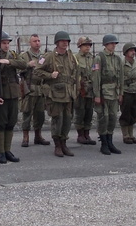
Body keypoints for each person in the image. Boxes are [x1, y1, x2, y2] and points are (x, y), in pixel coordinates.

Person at [34, 30, 79, 158]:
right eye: (62, 41)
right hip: (55, 93)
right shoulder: (48, 56)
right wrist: (49, 75)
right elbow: (37, 71)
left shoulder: (71, 56)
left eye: (67, 41)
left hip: (69, 93)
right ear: (57, 42)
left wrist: (76, 90)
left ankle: (64, 143)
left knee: (67, 120)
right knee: (57, 119)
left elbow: (76, 73)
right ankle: (57, 145)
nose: (65, 43)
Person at [0, 31, 28, 163]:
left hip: (13, 94)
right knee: (1, 124)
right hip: (1, 94)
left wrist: (8, 61)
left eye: (8, 43)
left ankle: (8, 150)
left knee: (11, 123)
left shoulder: (13, 56)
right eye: (3, 43)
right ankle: (1, 152)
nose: (6, 45)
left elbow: (24, 64)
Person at [92, 34, 124, 155]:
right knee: (103, 118)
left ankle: (110, 142)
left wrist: (121, 93)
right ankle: (104, 144)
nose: (113, 46)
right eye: (111, 43)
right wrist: (97, 95)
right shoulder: (99, 58)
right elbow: (96, 77)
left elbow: (121, 77)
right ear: (106, 45)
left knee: (112, 118)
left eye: (114, 44)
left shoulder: (117, 59)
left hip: (114, 93)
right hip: (103, 93)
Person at [18, 34, 50, 147]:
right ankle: (25, 137)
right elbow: (18, 68)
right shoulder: (24, 56)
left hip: (40, 89)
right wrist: (27, 65)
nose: (37, 43)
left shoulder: (44, 56)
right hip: (29, 88)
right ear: (30, 43)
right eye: (34, 41)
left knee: (40, 114)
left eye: (38, 40)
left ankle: (38, 136)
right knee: (27, 113)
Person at [73, 36, 97, 145]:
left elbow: (96, 72)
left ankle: (87, 133)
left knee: (89, 112)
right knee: (80, 111)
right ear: (80, 46)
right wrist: (78, 86)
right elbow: (74, 73)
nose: (87, 47)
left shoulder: (93, 58)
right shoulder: (75, 58)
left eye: (89, 45)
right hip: (81, 88)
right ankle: (80, 134)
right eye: (85, 45)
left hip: (91, 88)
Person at [119, 42, 136, 145]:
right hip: (126, 91)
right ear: (126, 52)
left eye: (134, 51)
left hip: (135, 90)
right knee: (125, 113)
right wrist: (120, 93)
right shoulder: (121, 64)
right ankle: (125, 135)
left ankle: (131, 134)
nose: (133, 53)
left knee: (133, 112)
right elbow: (119, 79)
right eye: (131, 51)